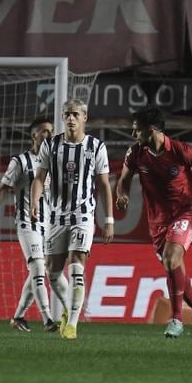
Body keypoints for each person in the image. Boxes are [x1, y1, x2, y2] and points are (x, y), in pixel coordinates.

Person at [115, 106, 192, 340]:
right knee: (173, 267)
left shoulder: (180, 150)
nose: (134, 135)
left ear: (152, 130)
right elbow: (124, 180)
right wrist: (121, 194)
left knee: (171, 258)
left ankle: (176, 319)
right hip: (157, 221)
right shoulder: (135, 153)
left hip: (185, 213)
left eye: (138, 131)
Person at [30, 99, 114, 340]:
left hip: (83, 215)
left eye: (75, 114)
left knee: (77, 264)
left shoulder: (96, 147)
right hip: (56, 216)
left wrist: (108, 220)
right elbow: (39, 178)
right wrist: (35, 202)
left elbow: (104, 184)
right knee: (52, 271)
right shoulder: (51, 145)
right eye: (67, 114)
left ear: (84, 118)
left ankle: (73, 324)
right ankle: (69, 308)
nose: (70, 118)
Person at [0, 118, 68, 333]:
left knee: (39, 270)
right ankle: (47, 319)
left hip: (50, 226)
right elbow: (2, 190)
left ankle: (18, 317)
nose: (47, 134)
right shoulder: (20, 161)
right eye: (43, 131)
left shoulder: (56, 164)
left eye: (50, 131)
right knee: (37, 267)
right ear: (33, 135)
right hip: (27, 223)